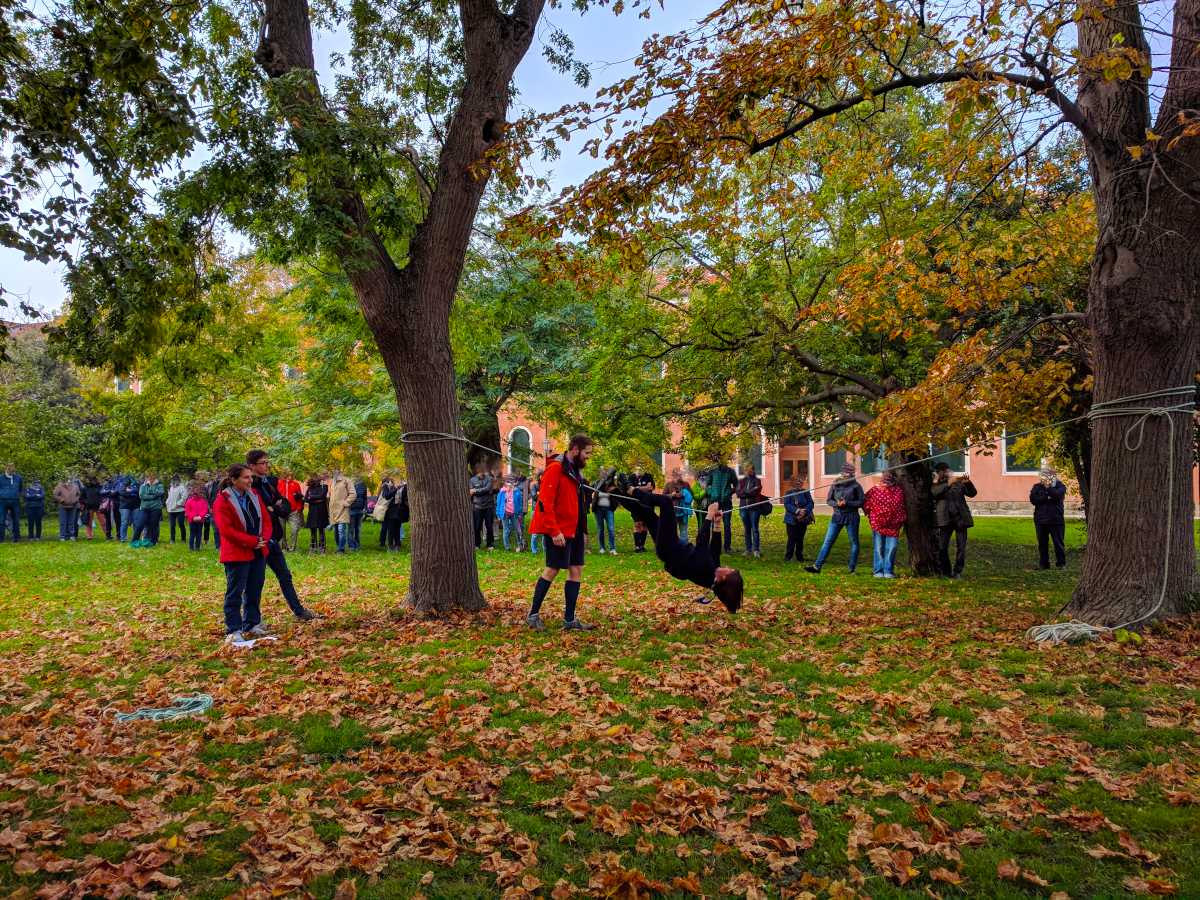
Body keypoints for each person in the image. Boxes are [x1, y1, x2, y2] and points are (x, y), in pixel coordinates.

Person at [614, 489, 744, 614]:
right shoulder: (712, 574)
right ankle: (613, 491)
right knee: (646, 513)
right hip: (669, 548)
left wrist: (709, 516)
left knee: (666, 502)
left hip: (669, 546)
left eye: (730, 570)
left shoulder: (706, 569)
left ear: (724, 578)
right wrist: (717, 523)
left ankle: (631, 490)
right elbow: (715, 550)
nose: (728, 567)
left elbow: (702, 542)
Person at [527, 435, 595, 631]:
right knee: (552, 569)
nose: (588, 457)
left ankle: (569, 619)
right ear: (575, 449)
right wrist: (555, 531)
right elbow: (544, 503)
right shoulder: (556, 469)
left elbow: (576, 502)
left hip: (573, 530)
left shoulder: (574, 470)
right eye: (586, 453)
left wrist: (582, 530)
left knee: (576, 570)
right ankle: (533, 615)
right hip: (558, 530)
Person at [247, 450, 322, 620]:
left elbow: (284, 505)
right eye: (263, 463)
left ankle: (299, 611)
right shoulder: (250, 486)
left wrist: (274, 507)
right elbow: (259, 510)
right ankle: (251, 621)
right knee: (256, 581)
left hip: (273, 537)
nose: (267, 465)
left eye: (267, 462)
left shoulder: (268, 483)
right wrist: (272, 507)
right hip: (258, 540)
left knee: (285, 575)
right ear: (252, 466)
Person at [213, 463, 272, 645]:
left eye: (251, 477)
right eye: (246, 477)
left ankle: (252, 623)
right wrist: (252, 541)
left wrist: (263, 539)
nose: (250, 480)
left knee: (255, 588)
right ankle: (233, 629)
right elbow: (226, 530)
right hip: (237, 553)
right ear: (234, 480)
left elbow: (266, 519)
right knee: (235, 592)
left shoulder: (254, 495)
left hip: (258, 550)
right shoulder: (222, 500)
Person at [806, 463, 865, 574]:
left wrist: (847, 503)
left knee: (854, 543)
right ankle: (817, 567)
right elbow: (829, 500)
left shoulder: (856, 486)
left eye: (848, 473)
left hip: (851, 517)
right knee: (828, 541)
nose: (846, 475)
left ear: (851, 474)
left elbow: (861, 502)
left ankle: (852, 568)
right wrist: (837, 504)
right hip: (837, 517)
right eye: (844, 473)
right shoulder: (835, 484)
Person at [931, 463, 977, 579]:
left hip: (960, 518)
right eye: (943, 471)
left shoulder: (958, 482)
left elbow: (972, 493)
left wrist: (968, 483)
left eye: (947, 470)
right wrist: (947, 484)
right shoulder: (936, 484)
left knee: (961, 547)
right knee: (942, 547)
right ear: (939, 473)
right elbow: (934, 494)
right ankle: (946, 571)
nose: (947, 472)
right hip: (945, 519)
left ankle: (958, 571)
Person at [863, 470, 907, 578]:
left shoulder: (898, 491)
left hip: (894, 525)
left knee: (892, 547)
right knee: (879, 547)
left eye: (889, 478)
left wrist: (899, 518)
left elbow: (900, 506)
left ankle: (888, 570)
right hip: (878, 524)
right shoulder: (875, 490)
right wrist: (873, 514)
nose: (887, 480)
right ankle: (878, 570)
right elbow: (866, 503)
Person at [1030, 465, 1067, 570]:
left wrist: (1048, 488)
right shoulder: (1036, 487)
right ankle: (1044, 564)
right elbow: (1033, 499)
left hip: (1056, 520)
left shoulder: (1060, 486)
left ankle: (1061, 564)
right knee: (1042, 544)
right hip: (1040, 520)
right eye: (1042, 475)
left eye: (1046, 475)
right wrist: (1047, 496)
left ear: (1053, 476)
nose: (1043, 478)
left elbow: (1057, 495)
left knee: (1058, 543)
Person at [703, 459, 737, 552]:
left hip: (726, 502)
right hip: (714, 501)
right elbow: (707, 486)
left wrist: (728, 492)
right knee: (713, 524)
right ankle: (713, 546)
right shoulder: (713, 472)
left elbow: (736, 485)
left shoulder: (730, 472)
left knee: (727, 524)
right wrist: (711, 493)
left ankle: (727, 547)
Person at [782, 478, 814, 562]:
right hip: (791, 519)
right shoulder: (788, 493)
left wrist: (805, 510)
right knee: (791, 538)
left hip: (803, 519)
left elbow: (811, 503)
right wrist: (797, 511)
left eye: (800, 482)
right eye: (797, 482)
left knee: (800, 538)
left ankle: (799, 556)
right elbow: (787, 505)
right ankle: (788, 556)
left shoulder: (805, 492)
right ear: (793, 483)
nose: (799, 484)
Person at [736, 464, 764, 558]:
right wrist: (748, 492)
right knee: (747, 529)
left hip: (754, 508)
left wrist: (745, 492)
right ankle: (748, 549)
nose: (748, 471)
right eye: (746, 469)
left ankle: (756, 550)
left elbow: (756, 491)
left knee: (755, 529)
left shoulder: (757, 481)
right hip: (743, 507)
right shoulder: (741, 481)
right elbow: (738, 493)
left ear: (753, 470)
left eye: (750, 469)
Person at [469, 463, 497, 550]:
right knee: (477, 527)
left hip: (488, 506)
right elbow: (470, 492)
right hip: (477, 507)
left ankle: (490, 544)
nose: (482, 472)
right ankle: (476, 544)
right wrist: (479, 491)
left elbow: (487, 489)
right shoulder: (472, 480)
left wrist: (476, 491)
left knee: (489, 526)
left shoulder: (489, 479)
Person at [132, 474, 165, 547]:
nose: (150, 479)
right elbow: (141, 496)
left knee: (153, 525)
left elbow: (160, 493)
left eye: (152, 477)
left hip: (156, 508)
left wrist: (150, 490)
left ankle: (153, 541)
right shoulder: (143, 486)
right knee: (139, 525)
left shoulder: (159, 485)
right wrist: (153, 496)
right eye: (148, 477)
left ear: (155, 478)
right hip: (144, 508)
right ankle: (134, 541)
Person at [277, 470, 305, 551]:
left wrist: (299, 508)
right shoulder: (278, 483)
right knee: (281, 530)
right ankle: (283, 547)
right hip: (281, 510)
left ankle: (292, 548)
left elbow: (300, 498)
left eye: (291, 475)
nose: (290, 477)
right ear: (284, 475)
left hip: (293, 511)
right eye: (288, 475)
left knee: (295, 529)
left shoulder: (296, 484)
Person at [496, 475, 526, 551]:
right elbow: (498, 503)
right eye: (508, 483)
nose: (509, 485)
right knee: (506, 530)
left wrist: (519, 513)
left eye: (511, 483)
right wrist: (498, 514)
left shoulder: (517, 492)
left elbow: (520, 503)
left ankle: (520, 546)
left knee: (518, 529)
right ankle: (507, 547)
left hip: (514, 513)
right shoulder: (502, 492)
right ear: (505, 484)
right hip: (505, 513)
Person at [592, 469, 618, 554]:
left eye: (605, 474)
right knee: (600, 529)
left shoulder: (611, 484)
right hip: (598, 509)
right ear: (599, 475)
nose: (603, 475)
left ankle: (612, 548)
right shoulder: (596, 483)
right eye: (602, 474)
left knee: (611, 528)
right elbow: (591, 491)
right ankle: (602, 547)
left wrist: (610, 493)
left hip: (609, 509)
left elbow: (616, 493)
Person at [630, 466, 655, 552]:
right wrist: (645, 488)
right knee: (637, 524)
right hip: (635, 504)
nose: (639, 470)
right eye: (637, 469)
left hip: (647, 504)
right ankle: (637, 546)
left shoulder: (649, 476)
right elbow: (630, 490)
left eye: (641, 468)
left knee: (645, 525)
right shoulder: (631, 477)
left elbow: (651, 488)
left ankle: (642, 546)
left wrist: (637, 488)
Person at [328, 470, 353, 553]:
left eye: (337, 470)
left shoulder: (347, 480)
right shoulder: (332, 482)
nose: (335, 472)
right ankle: (339, 546)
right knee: (336, 532)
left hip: (342, 510)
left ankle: (341, 549)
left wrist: (346, 503)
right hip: (334, 511)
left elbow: (353, 494)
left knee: (341, 530)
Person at [380, 477, 408, 551]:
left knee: (397, 528)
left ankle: (397, 545)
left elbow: (405, 498)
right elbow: (386, 496)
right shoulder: (387, 486)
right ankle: (390, 545)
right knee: (391, 529)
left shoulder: (404, 487)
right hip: (390, 511)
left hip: (400, 511)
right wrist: (396, 489)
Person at [668, 473, 694, 544]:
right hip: (672, 511)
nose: (678, 477)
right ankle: (672, 546)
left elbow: (691, 496)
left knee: (684, 530)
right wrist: (672, 495)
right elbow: (663, 496)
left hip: (683, 512)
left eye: (679, 474)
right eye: (676, 475)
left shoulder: (686, 484)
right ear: (673, 475)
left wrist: (684, 494)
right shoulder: (669, 484)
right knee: (672, 530)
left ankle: (684, 547)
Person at [304, 475, 329, 552]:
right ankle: (313, 547)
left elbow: (322, 495)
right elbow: (306, 499)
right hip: (312, 511)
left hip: (321, 511)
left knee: (321, 529)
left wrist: (311, 497)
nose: (317, 481)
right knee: (313, 529)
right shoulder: (310, 488)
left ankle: (322, 547)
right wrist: (318, 499)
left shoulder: (324, 487)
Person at [53, 476, 81, 541]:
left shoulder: (75, 486)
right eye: (67, 480)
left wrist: (75, 500)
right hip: (63, 506)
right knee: (63, 522)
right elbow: (55, 495)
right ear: (64, 480)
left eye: (70, 479)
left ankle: (71, 535)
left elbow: (78, 494)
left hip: (73, 506)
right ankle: (62, 536)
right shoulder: (59, 486)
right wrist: (61, 500)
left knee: (71, 522)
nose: (69, 481)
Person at [0, 463, 21, 543]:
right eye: (9, 468)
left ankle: (16, 538)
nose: (11, 470)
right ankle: (1, 539)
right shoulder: (1, 478)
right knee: (1, 520)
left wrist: (16, 495)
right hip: (2, 501)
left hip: (15, 501)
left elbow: (20, 488)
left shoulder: (18, 478)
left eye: (13, 468)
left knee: (16, 520)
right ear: (6, 469)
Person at [117, 475, 141, 542]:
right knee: (125, 522)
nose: (130, 480)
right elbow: (122, 493)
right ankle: (123, 538)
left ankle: (136, 538)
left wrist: (130, 491)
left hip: (135, 506)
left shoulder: (136, 484)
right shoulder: (122, 484)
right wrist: (132, 493)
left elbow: (138, 492)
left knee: (136, 522)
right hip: (125, 506)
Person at [166, 475, 189, 543]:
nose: (174, 481)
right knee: (172, 525)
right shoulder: (171, 488)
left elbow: (184, 497)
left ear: (178, 480)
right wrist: (167, 503)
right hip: (171, 510)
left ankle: (183, 539)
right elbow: (169, 497)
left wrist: (178, 504)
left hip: (180, 509)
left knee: (181, 524)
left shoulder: (182, 487)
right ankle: (172, 539)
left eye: (175, 480)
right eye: (173, 480)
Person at [80, 474, 102, 539]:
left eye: (94, 479)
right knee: (89, 522)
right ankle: (89, 536)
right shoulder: (85, 488)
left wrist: (101, 502)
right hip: (89, 507)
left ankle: (107, 535)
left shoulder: (100, 487)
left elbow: (103, 495)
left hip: (99, 507)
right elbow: (81, 498)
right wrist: (86, 502)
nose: (93, 481)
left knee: (103, 522)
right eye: (92, 480)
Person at [348, 476, 367, 551]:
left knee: (358, 529)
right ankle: (351, 546)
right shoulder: (349, 485)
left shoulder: (363, 485)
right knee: (351, 529)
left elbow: (365, 498)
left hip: (360, 510)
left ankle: (357, 544)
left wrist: (365, 507)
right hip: (351, 510)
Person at [99, 474, 121, 539]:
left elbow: (116, 492)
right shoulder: (106, 484)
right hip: (107, 504)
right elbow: (101, 492)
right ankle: (108, 535)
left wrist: (107, 492)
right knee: (108, 520)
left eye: (110, 476)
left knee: (117, 520)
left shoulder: (118, 483)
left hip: (116, 504)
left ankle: (118, 535)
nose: (109, 477)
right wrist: (109, 491)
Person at [527, 473, 542, 554]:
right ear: (539, 476)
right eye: (541, 475)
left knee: (545, 531)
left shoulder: (546, 484)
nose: (543, 477)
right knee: (535, 530)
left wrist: (539, 493)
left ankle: (545, 549)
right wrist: (540, 494)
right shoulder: (534, 485)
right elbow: (534, 496)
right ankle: (534, 550)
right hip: (535, 509)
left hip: (544, 510)